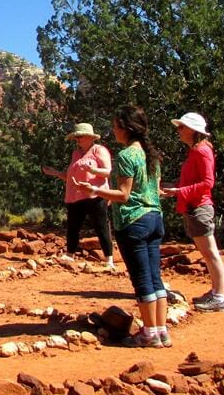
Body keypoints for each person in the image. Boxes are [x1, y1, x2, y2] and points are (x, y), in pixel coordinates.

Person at [76, 105, 168, 347]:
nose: (113, 131)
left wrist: (95, 190)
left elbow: (124, 194)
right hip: (155, 218)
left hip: (133, 221)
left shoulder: (127, 156)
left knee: (142, 280)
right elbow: (155, 190)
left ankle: (149, 334)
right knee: (155, 278)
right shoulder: (151, 155)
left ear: (126, 129)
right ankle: (161, 330)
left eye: (115, 126)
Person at [163, 112, 224, 312]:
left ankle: (219, 296)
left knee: (210, 253)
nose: (178, 131)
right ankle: (216, 292)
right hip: (193, 207)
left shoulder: (202, 151)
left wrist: (180, 191)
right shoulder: (195, 150)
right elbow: (192, 181)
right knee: (207, 253)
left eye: (181, 127)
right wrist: (173, 189)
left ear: (192, 130)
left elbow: (208, 183)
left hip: (200, 207)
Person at [41, 122, 114, 268]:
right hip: (75, 196)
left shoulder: (98, 150)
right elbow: (70, 176)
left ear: (90, 137)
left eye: (80, 136)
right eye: (76, 137)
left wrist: (93, 171)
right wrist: (54, 173)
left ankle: (109, 260)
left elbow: (107, 171)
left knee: (101, 226)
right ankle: (70, 255)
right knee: (73, 226)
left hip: (95, 195)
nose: (77, 139)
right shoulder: (76, 153)